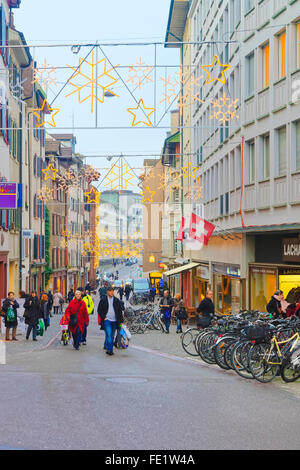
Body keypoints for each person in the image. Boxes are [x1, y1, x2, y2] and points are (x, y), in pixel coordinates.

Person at [98, 286, 124, 356]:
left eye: (112, 291)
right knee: (109, 335)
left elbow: (119, 311)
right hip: (107, 320)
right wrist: (104, 317)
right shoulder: (103, 300)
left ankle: (108, 347)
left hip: (115, 321)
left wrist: (121, 321)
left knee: (112, 336)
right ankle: (110, 350)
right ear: (107, 292)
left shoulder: (116, 300)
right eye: (110, 291)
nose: (111, 292)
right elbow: (99, 310)